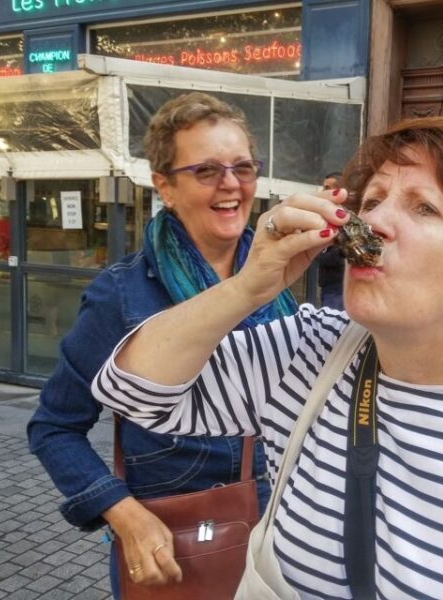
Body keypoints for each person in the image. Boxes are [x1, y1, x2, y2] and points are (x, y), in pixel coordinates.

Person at [92, 118, 443, 597]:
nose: (371, 222)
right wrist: (246, 288)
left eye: (423, 208)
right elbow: (133, 394)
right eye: (371, 201)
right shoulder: (308, 351)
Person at [27, 92, 297, 595]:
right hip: (179, 543)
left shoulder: (281, 274)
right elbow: (54, 426)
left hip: (282, 536)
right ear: (165, 187)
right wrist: (124, 515)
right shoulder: (122, 294)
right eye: (206, 170)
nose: (231, 184)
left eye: (243, 167)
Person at [317, 171, 345, 309]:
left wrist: (320, 253)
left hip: (338, 286)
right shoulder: (327, 214)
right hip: (327, 285)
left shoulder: (345, 216)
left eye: (327, 188)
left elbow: (341, 254)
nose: (323, 192)